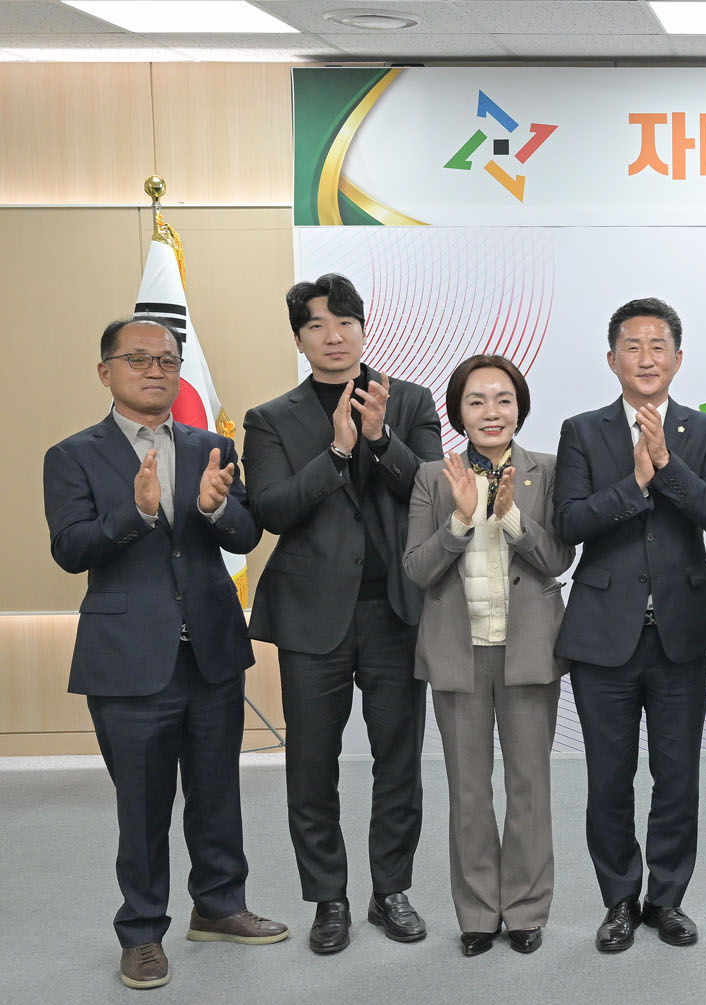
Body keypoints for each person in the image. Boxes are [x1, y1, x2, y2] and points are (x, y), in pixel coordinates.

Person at [44, 319, 288, 990]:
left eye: (167, 360)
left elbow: (246, 532)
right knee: (143, 803)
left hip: (210, 651)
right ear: (106, 371)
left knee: (217, 792)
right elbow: (69, 549)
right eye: (139, 359)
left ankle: (219, 905)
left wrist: (214, 509)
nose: (156, 370)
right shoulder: (73, 455)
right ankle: (143, 931)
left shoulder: (213, 445)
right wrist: (135, 513)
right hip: (127, 660)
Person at [243, 274, 443, 953]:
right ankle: (328, 897)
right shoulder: (270, 418)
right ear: (299, 338)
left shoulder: (409, 399)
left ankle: (391, 890)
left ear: (363, 327)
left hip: (394, 611)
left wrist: (379, 438)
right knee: (311, 763)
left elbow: (431, 489)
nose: (333, 336)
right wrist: (335, 453)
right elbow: (271, 510)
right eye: (316, 325)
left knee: (399, 759)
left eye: (345, 322)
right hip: (310, 615)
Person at [551, 298, 706, 953]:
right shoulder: (583, 431)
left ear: (678, 359)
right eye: (633, 346)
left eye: (659, 346)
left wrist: (668, 464)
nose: (647, 358)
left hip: (681, 633)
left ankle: (667, 898)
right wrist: (634, 481)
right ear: (612, 359)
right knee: (609, 778)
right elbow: (568, 522)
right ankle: (619, 900)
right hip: (603, 635)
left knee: (677, 776)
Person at [402, 355, 575, 957]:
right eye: (476, 401)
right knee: (469, 790)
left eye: (503, 399)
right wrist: (458, 520)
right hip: (459, 652)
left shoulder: (546, 471)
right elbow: (417, 569)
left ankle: (525, 909)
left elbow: (558, 559)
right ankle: (477, 912)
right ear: (458, 412)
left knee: (529, 786)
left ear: (519, 407)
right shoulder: (433, 476)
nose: (491, 412)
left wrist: (512, 519)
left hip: (528, 650)